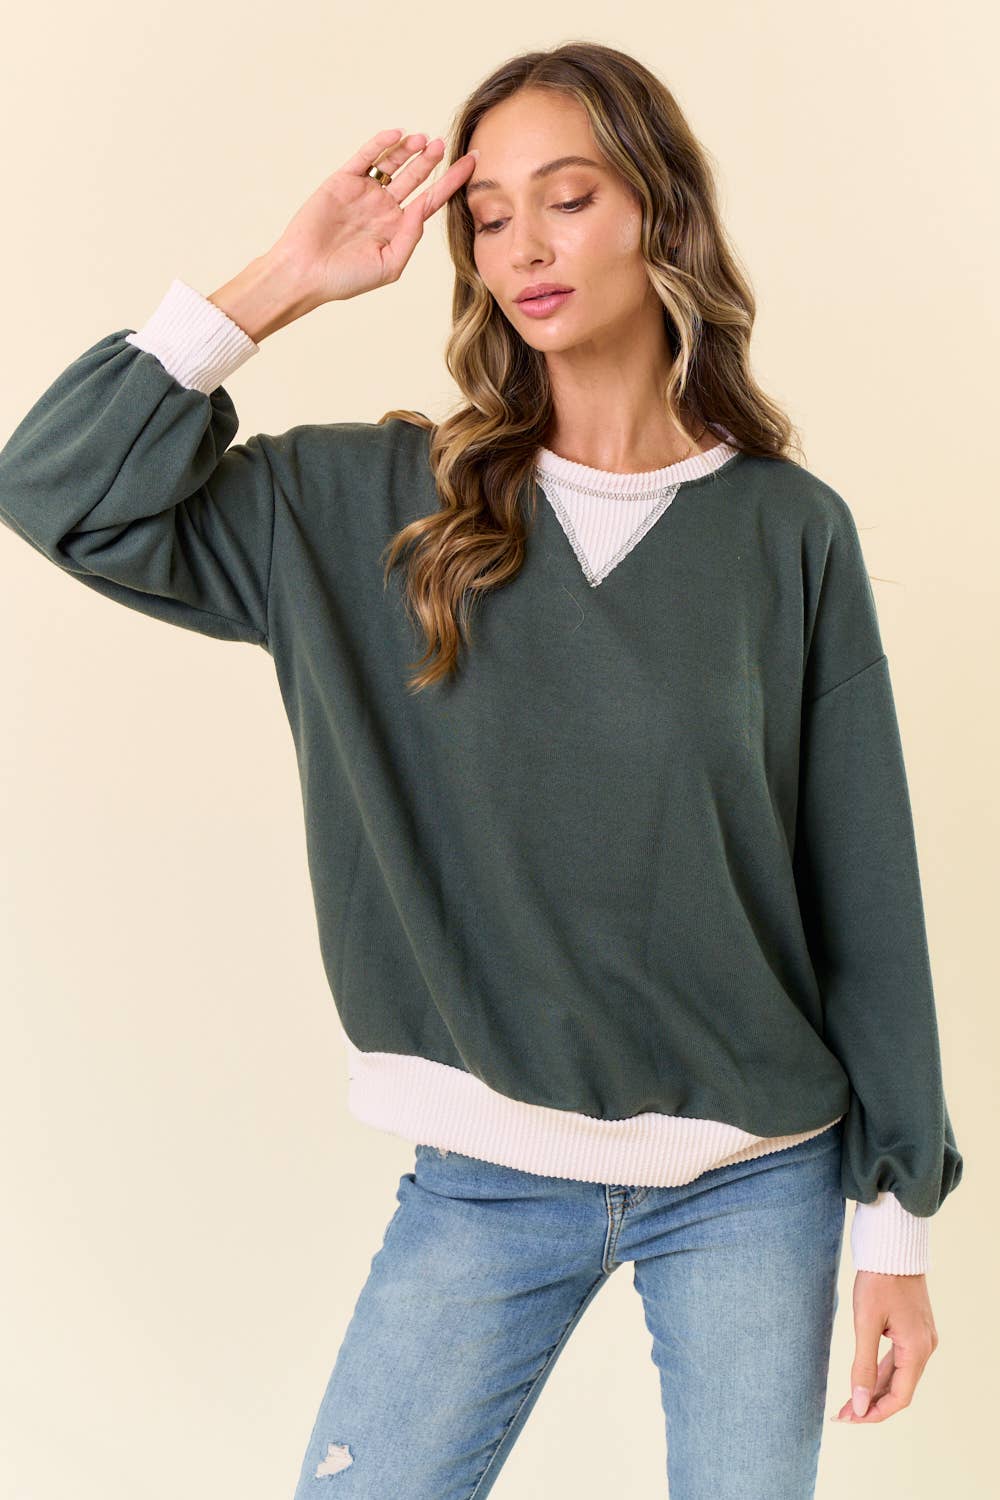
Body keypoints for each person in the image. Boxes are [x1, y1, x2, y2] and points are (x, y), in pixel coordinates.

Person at [0, 39, 962, 1500]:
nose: (524, 248)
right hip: (485, 1177)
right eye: (491, 217)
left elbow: (865, 886)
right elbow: (56, 488)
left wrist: (894, 1223)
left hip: (754, 1174)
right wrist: (286, 277)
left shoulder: (787, 531)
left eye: (567, 200)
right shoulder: (368, 510)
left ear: (659, 212)